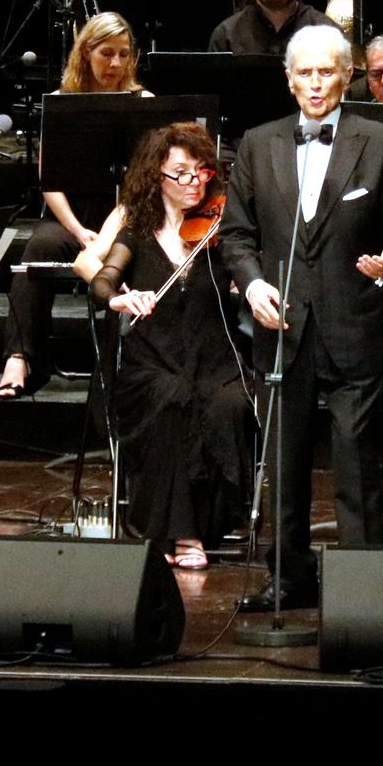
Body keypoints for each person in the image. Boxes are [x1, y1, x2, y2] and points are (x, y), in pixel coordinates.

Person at [218, 24, 383, 609]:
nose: (315, 83)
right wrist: (252, 283)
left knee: (358, 466)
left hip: (357, 324)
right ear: (288, 79)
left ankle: (361, 585)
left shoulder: (379, 142)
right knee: (283, 465)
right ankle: (288, 578)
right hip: (281, 325)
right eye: (304, 73)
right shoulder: (258, 144)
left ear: (346, 76)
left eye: (326, 71)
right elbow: (236, 235)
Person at [75, 122, 252, 569]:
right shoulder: (136, 231)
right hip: (149, 364)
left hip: (213, 360)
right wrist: (119, 297)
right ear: (157, 177)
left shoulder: (221, 231)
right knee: (173, 399)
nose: (194, 182)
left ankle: (211, 522)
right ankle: (182, 532)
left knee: (229, 404)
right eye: (181, 173)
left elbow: (250, 269)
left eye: (201, 172)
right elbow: (103, 280)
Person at [0, 13, 149, 398]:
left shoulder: (143, 103)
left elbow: (149, 178)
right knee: (39, 245)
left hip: (124, 217)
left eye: (122, 55)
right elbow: (49, 181)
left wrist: (110, 231)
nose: (115, 64)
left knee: (137, 255)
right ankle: (21, 356)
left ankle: (126, 371)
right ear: (86, 53)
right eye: (105, 54)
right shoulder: (63, 103)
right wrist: (79, 231)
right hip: (73, 220)